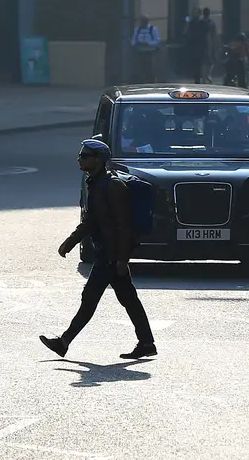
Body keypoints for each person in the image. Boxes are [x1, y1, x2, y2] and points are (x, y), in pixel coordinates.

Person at [39, 139, 157, 360]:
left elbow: (123, 226)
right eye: (80, 155)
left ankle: (64, 342)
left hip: (111, 254)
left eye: (85, 156)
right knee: (128, 298)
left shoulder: (112, 187)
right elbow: (92, 220)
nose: (80, 158)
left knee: (90, 297)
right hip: (109, 251)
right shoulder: (95, 183)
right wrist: (71, 241)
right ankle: (147, 342)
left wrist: (122, 258)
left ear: (98, 160)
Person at [130, 15, 161, 83]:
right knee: (140, 69)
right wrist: (136, 44)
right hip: (139, 52)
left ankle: (150, 82)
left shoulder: (153, 29)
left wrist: (148, 43)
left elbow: (157, 41)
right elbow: (133, 40)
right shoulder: (137, 29)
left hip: (150, 53)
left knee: (150, 69)